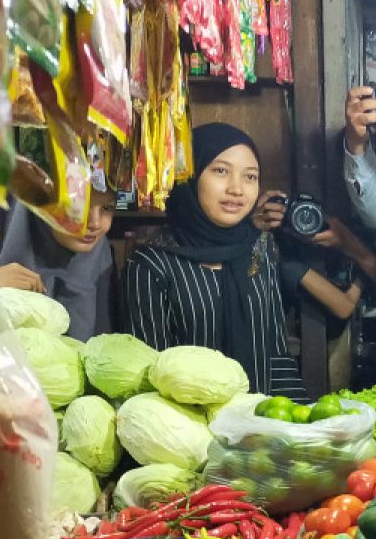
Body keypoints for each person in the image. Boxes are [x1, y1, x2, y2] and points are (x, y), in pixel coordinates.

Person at [125, 123, 308, 399]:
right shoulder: (152, 264)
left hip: (260, 428)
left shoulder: (260, 247)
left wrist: (299, 426)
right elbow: (150, 376)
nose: (237, 189)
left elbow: (277, 356)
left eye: (250, 177)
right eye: (221, 171)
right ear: (191, 175)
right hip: (188, 431)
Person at [0, 188, 117, 339]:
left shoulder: (101, 261)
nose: (95, 223)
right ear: (40, 204)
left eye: (107, 208)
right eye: (77, 205)